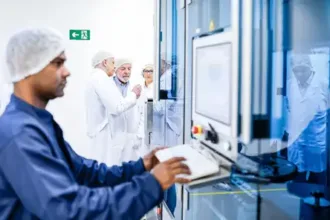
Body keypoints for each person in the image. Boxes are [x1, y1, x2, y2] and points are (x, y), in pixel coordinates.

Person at [0, 27, 191, 219]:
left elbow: (84, 172)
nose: (66, 72)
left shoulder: (39, 122)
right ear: (29, 69)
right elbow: (71, 210)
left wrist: (141, 165)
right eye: (58, 64)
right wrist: (152, 184)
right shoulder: (20, 134)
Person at [85, 51, 142, 165]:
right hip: (107, 135)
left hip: (119, 136)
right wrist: (133, 95)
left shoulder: (96, 78)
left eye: (129, 68)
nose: (114, 66)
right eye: (113, 63)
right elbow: (117, 107)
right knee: (107, 168)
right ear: (105, 62)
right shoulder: (101, 78)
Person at [285, 53, 327, 183]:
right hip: (296, 140)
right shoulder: (289, 84)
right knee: (296, 176)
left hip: (315, 139)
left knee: (318, 178)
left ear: (310, 67)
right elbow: (289, 107)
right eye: (296, 70)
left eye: (303, 69)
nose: (300, 74)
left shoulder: (323, 84)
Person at [110, 58, 148, 163]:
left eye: (129, 69)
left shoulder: (137, 88)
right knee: (112, 170)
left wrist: (139, 135)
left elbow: (143, 113)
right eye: (123, 68)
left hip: (132, 137)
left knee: (131, 170)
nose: (127, 72)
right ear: (115, 70)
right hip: (113, 137)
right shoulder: (109, 87)